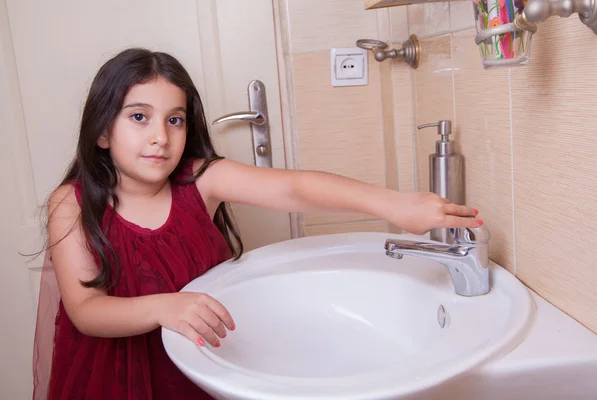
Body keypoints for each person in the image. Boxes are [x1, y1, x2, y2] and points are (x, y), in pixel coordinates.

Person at [32, 48, 482, 400]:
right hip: (113, 378)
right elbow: (86, 310)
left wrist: (395, 205)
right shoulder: (70, 204)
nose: (159, 137)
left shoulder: (199, 180)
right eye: (138, 117)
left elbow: (295, 188)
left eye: (175, 120)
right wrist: (161, 307)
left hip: (199, 369)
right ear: (102, 132)